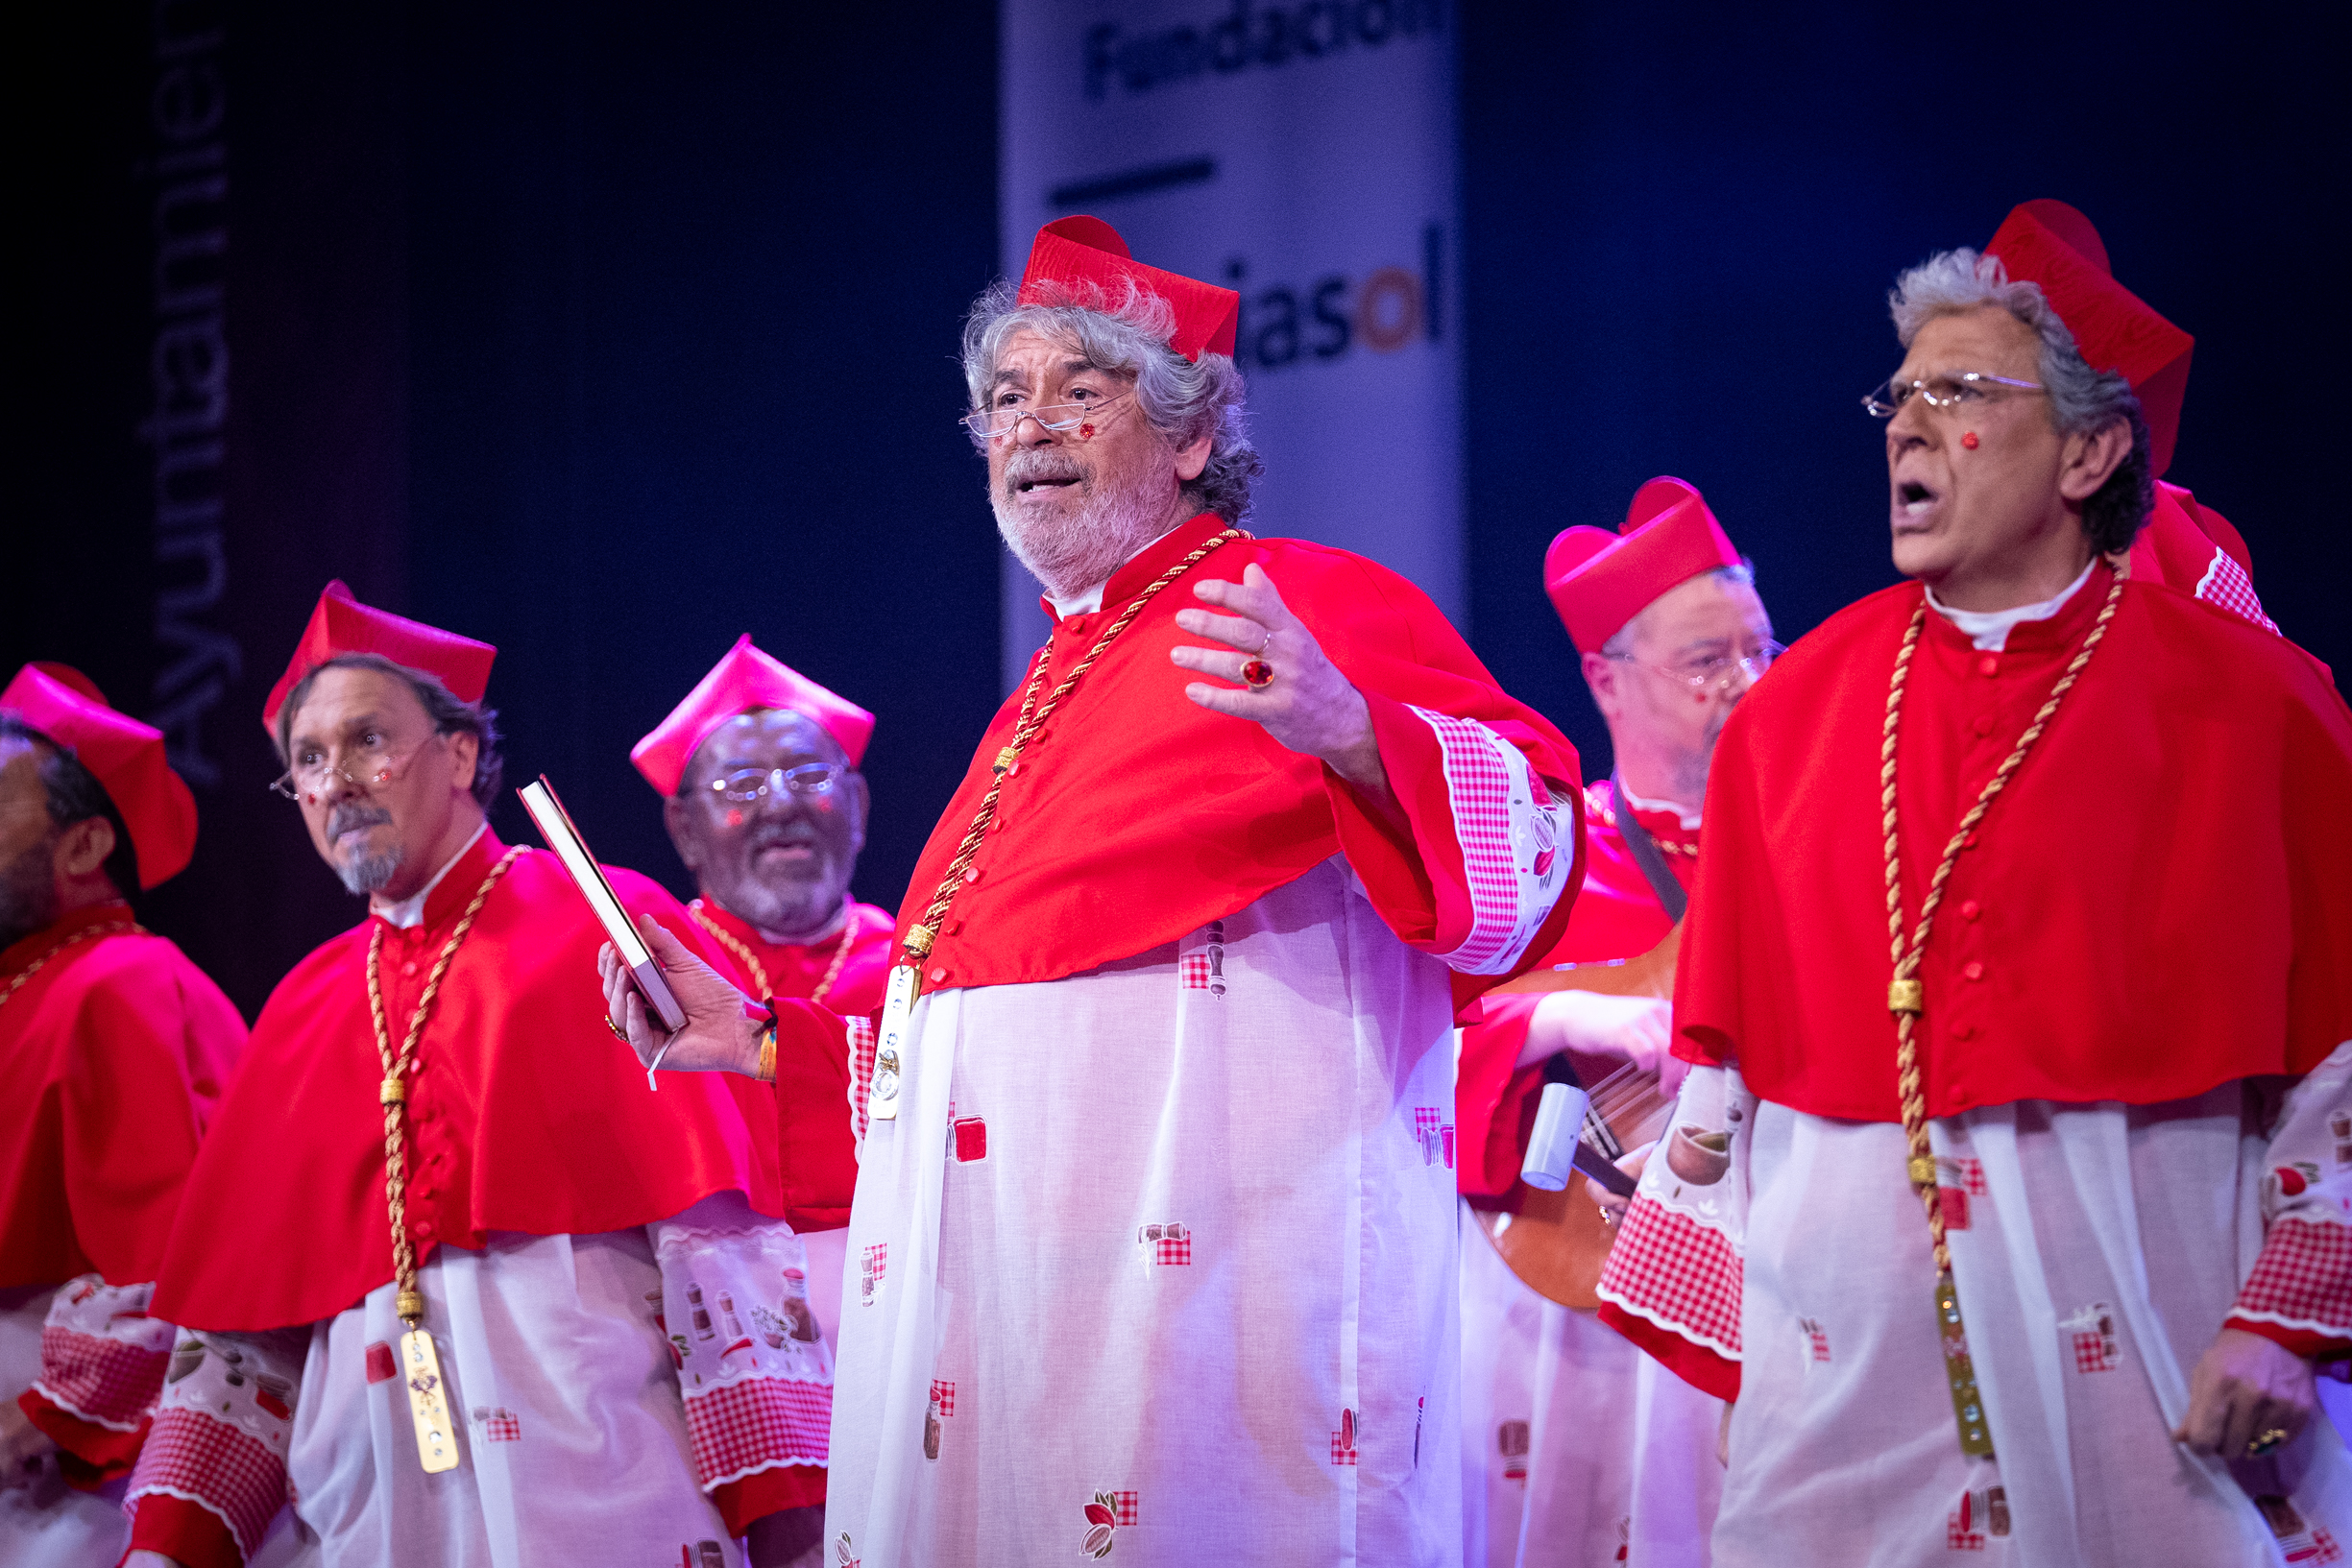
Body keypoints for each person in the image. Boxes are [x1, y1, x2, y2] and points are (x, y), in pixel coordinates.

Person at [601, 215, 1586, 1567]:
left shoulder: (1297, 601)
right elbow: (983, 1062)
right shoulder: (1036, 700)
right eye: (1005, 398)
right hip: (1021, 1340)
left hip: (1214, 1345)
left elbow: (1531, 851)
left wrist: (1356, 731)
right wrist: (762, 1038)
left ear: (1190, 437)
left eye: (1082, 388)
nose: (1031, 425)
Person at [1598, 202, 2352, 1563]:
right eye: (1899, 392)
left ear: (2090, 450)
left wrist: (2288, 1314)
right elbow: (1737, 1062)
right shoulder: (1797, 709)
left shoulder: (2250, 701)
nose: (1903, 423)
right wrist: (1747, 1343)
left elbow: (2341, 1037)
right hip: (1851, 1340)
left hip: (2148, 1290)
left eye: (1960, 391)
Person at [122, 583, 834, 1568]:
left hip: (601, 1481)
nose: (336, 782)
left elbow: (716, 1245)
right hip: (373, 1500)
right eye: (308, 760)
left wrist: (787, 1520)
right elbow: (246, 1344)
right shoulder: (301, 1004)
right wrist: (168, 1549)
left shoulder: (600, 915)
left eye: (368, 739)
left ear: (458, 753)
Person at [1455, 479, 1772, 1566]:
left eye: (1759, 650)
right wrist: (1563, 1014)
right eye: (1706, 661)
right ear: (1605, 679)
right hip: (1572, 1309)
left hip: (1776, 1279)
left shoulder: (1814, 846)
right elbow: (1414, 1062)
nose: (1747, 683)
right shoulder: (1551, 860)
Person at [0, 665, 243, 1566]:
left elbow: (168, 1260)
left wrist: (38, 1417)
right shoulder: (25, 982)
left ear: (82, 845)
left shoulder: (122, 980)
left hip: (72, 1482)